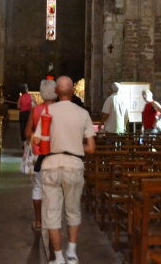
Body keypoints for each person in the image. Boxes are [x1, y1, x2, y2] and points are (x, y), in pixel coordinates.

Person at [32, 76, 96, 264]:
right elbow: (91, 148)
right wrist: (75, 145)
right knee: (73, 211)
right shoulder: (83, 113)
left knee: (52, 214)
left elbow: (35, 140)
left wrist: (51, 142)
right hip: (74, 166)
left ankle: (58, 258)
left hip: (51, 165)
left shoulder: (47, 111)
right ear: (74, 92)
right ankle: (72, 254)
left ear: (57, 93)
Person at [24, 79, 57, 231]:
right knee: (54, 189)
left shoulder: (36, 109)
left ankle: (39, 221)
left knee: (38, 187)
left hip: (39, 154)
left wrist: (37, 139)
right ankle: (52, 222)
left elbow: (27, 132)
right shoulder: (61, 110)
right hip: (56, 155)